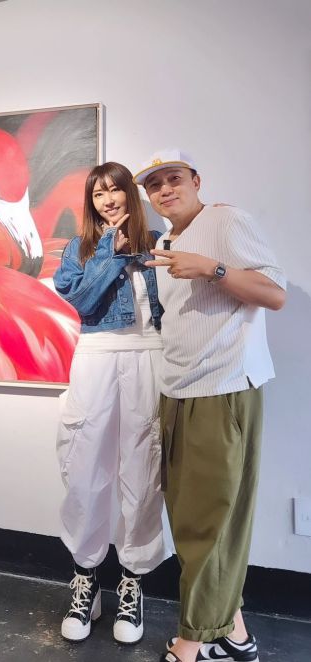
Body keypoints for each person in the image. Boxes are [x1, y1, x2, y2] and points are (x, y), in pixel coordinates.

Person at [133, 149, 286, 662]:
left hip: (223, 390)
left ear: (196, 180)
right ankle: (235, 633)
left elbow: (274, 294)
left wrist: (212, 268)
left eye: (173, 178)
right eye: (154, 185)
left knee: (210, 524)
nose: (165, 190)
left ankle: (192, 643)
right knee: (191, 519)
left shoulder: (225, 221)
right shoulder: (165, 242)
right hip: (178, 391)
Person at [53, 161, 170, 644]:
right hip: (96, 358)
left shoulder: (159, 243)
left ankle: (132, 582)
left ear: (129, 194)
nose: (107, 200)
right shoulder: (79, 249)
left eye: (114, 190)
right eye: (97, 194)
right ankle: (85, 578)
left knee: (143, 469)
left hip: (150, 358)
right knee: (84, 467)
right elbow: (81, 302)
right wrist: (111, 252)